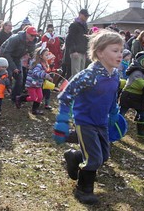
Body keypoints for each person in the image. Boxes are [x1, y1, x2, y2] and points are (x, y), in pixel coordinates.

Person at [53, 30, 124, 205]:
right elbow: (66, 94)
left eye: (121, 51)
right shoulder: (89, 75)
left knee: (104, 156)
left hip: (102, 122)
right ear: (100, 52)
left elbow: (112, 94)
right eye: (115, 50)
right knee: (94, 159)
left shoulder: (115, 74)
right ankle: (83, 190)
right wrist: (62, 120)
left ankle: (75, 157)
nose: (120, 55)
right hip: (85, 122)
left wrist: (114, 112)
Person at [0, 26, 38, 102]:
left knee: (20, 77)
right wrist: (13, 67)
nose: (33, 37)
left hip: (17, 57)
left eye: (35, 35)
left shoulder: (33, 43)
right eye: (31, 35)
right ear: (26, 33)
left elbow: (32, 54)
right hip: (6, 54)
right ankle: (0, 93)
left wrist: (31, 63)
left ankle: (15, 97)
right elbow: (6, 53)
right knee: (8, 74)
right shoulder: (16, 39)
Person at [15, 45, 53, 115]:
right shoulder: (38, 64)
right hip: (31, 83)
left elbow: (45, 72)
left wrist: (49, 75)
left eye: (48, 55)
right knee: (33, 97)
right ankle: (20, 98)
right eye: (46, 55)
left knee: (40, 97)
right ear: (41, 56)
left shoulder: (44, 64)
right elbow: (36, 73)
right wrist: (45, 75)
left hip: (38, 84)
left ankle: (34, 110)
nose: (47, 56)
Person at [65, 9, 90, 77]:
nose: (86, 17)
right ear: (80, 15)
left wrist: (87, 51)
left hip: (83, 52)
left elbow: (86, 39)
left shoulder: (85, 26)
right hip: (76, 52)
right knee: (75, 74)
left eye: (87, 16)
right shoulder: (74, 25)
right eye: (85, 16)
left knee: (82, 73)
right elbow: (70, 39)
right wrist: (73, 51)